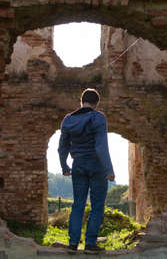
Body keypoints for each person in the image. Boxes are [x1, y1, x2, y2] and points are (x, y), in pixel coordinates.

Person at [58, 88, 115, 254]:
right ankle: (90, 243)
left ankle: (73, 244)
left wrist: (64, 166)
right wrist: (109, 169)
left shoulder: (68, 120)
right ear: (97, 104)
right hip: (96, 165)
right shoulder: (98, 117)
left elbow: (62, 147)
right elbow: (101, 146)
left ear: (81, 101)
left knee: (78, 205)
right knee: (97, 205)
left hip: (78, 165)